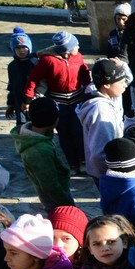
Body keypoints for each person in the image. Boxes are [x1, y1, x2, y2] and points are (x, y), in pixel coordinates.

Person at [22, 31, 90, 174]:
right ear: (67, 48)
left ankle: (83, 160)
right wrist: (28, 98)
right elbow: (34, 79)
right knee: (64, 134)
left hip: (77, 101)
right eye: (75, 45)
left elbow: (84, 75)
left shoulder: (78, 57)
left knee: (79, 132)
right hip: (59, 102)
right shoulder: (48, 60)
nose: (78, 47)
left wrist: (90, 90)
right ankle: (72, 163)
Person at [9, 96, 74, 210]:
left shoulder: (34, 137)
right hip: (56, 199)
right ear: (52, 120)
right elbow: (50, 185)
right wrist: (69, 206)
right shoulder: (40, 151)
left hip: (52, 194)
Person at [6, 27, 37, 125]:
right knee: (22, 127)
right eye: (18, 48)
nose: (21, 51)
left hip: (36, 103)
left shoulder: (35, 63)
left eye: (24, 47)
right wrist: (10, 104)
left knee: (37, 127)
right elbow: (12, 86)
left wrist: (28, 101)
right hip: (20, 105)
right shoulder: (12, 66)